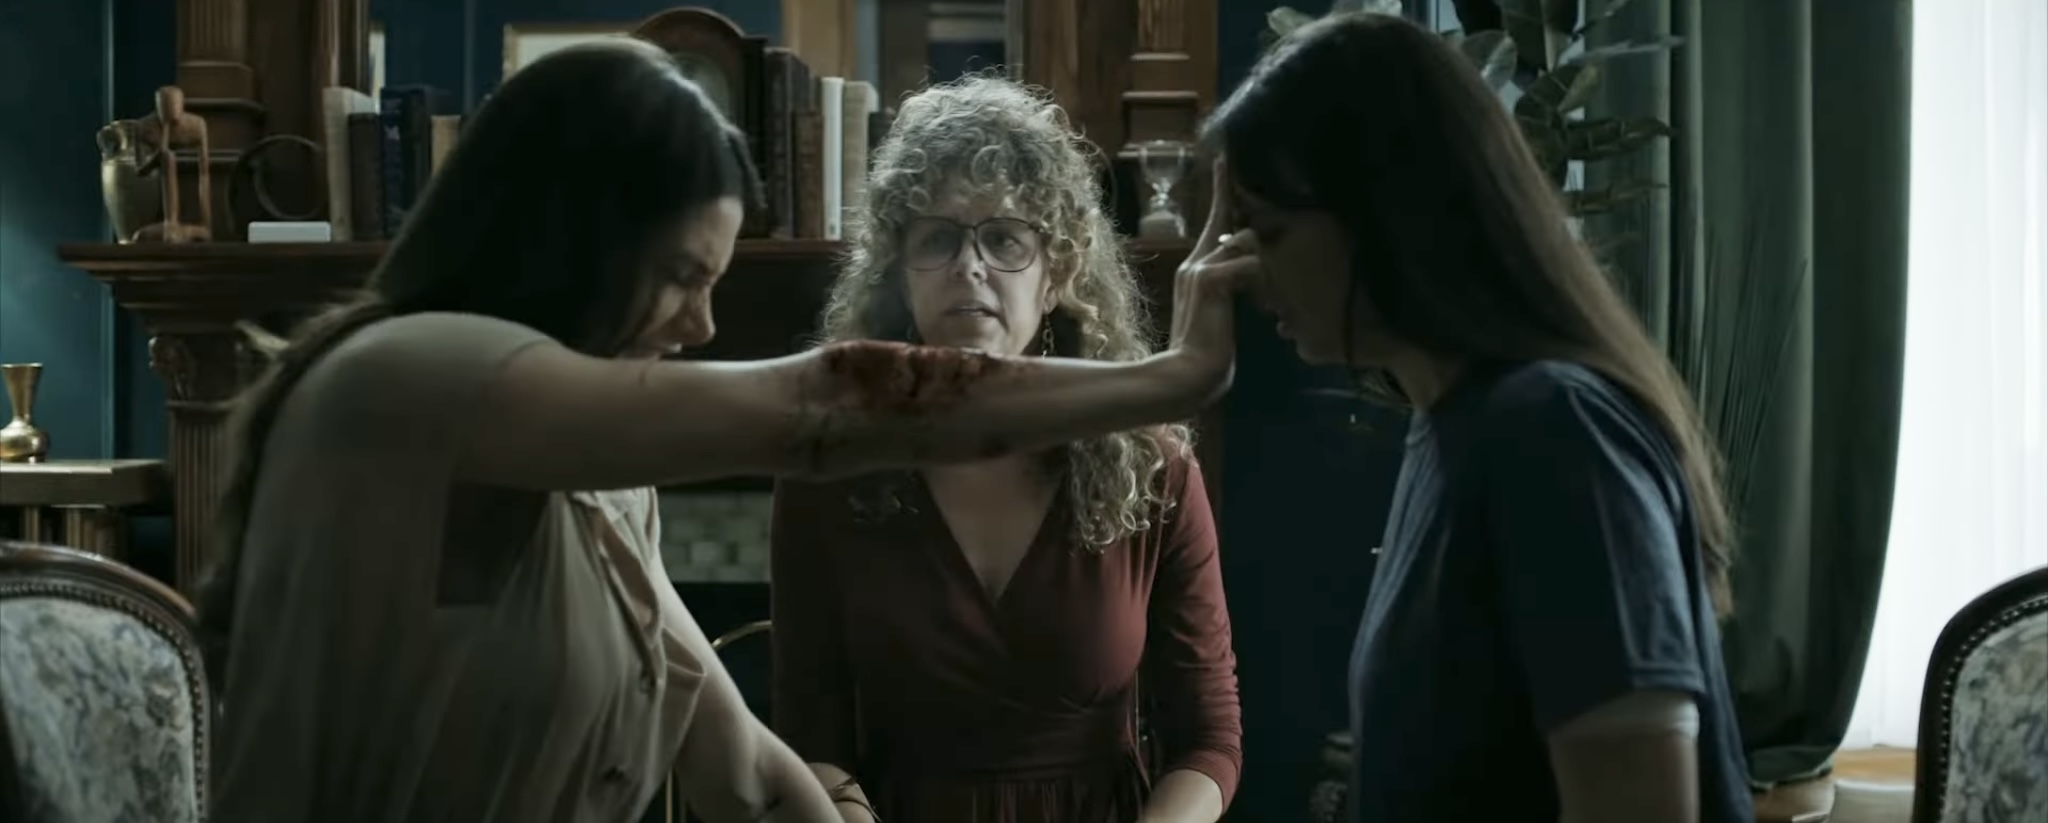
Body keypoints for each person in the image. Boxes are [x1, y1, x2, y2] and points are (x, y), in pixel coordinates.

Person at [199, 41, 1247, 823]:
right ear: (571, 242)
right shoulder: (408, 376)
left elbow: (743, 770)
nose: (701, 326)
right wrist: (1172, 377)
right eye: (681, 275)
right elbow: (818, 414)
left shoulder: (608, 477)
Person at [1199, 12, 1755, 823]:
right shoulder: (1452, 427)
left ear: (1384, 212)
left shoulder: (1555, 433)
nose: (1241, 265)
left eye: (1270, 229)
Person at [769, 76, 1243, 823]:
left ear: (1056, 277)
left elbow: (1209, 737)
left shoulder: (1153, 468)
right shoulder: (828, 470)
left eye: (1005, 238)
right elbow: (809, 732)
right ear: (900, 274)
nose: (970, 265)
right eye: (937, 238)